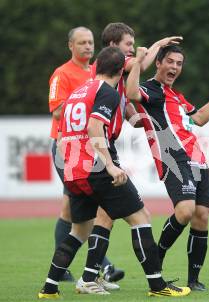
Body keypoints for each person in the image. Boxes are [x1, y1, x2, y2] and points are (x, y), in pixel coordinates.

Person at [38, 46, 191, 299]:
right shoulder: (106, 92)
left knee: (79, 231)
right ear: (121, 71)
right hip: (97, 168)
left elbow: (63, 133)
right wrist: (109, 164)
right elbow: (95, 126)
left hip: (73, 170)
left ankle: (49, 288)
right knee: (141, 217)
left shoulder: (78, 92)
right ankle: (157, 285)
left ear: (97, 66)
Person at [74, 22, 182, 291]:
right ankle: (155, 284)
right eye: (128, 46)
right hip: (101, 149)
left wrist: (134, 116)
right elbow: (141, 66)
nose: (132, 51)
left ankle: (88, 277)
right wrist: (158, 46)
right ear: (113, 48)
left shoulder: (113, 76)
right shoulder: (117, 68)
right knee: (138, 215)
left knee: (104, 216)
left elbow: (124, 99)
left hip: (98, 148)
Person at [126, 44, 209, 291]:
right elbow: (132, 93)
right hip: (174, 158)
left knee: (201, 217)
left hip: (197, 159)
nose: (175, 67)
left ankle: (193, 280)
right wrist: (137, 61)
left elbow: (199, 119)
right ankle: (157, 258)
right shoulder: (151, 90)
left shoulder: (176, 95)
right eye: (170, 62)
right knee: (185, 211)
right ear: (159, 63)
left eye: (179, 63)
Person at [48, 26, 123, 284]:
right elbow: (57, 110)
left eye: (90, 42)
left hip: (90, 145)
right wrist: (85, 101)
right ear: (71, 46)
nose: (88, 47)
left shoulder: (97, 72)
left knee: (72, 209)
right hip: (66, 146)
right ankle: (102, 267)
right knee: (78, 205)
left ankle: (70, 272)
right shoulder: (61, 74)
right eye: (81, 43)